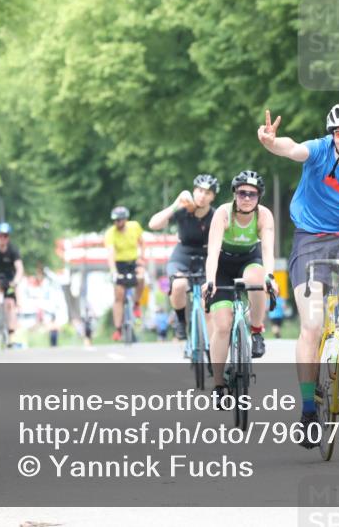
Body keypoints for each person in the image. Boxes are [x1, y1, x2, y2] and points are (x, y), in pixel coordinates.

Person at [258, 101, 339, 448]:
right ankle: (307, 411)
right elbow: (293, 149)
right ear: (332, 135)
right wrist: (273, 144)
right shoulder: (320, 151)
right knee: (313, 324)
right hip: (310, 239)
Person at [202, 170, 278, 407]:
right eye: (242, 193)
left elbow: (267, 251)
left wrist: (270, 277)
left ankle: (256, 331)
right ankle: (218, 383)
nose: (247, 198)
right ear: (235, 194)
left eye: (252, 194)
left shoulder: (264, 215)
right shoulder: (223, 214)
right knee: (222, 325)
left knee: (257, 277)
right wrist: (210, 280)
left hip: (249, 259)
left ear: (259, 197)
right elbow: (212, 251)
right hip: (223, 264)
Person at [149, 174, 219, 340]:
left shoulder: (216, 216)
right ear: (194, 191)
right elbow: (154, 224)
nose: (202, 195)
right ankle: (180, 321)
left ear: (213, 196)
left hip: (206, 256)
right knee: (179, 284)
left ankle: (211, 353)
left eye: (207, 193)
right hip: (182, 255)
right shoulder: (182, 211)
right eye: (200, 191)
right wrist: (175, 204)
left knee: (207, 305)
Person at [104, 206, 146, 342]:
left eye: (120, 220)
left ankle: (136, 303)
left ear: (125, 219)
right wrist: (113, 271)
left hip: (133, 261)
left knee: (141, 277)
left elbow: (142, 243)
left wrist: (141, 258)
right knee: (119, 295)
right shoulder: (110, 233)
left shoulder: (134, 226)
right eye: (115, 221)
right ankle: (118, 329)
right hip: (119, 264)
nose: (117, 223)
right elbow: (110, 253)